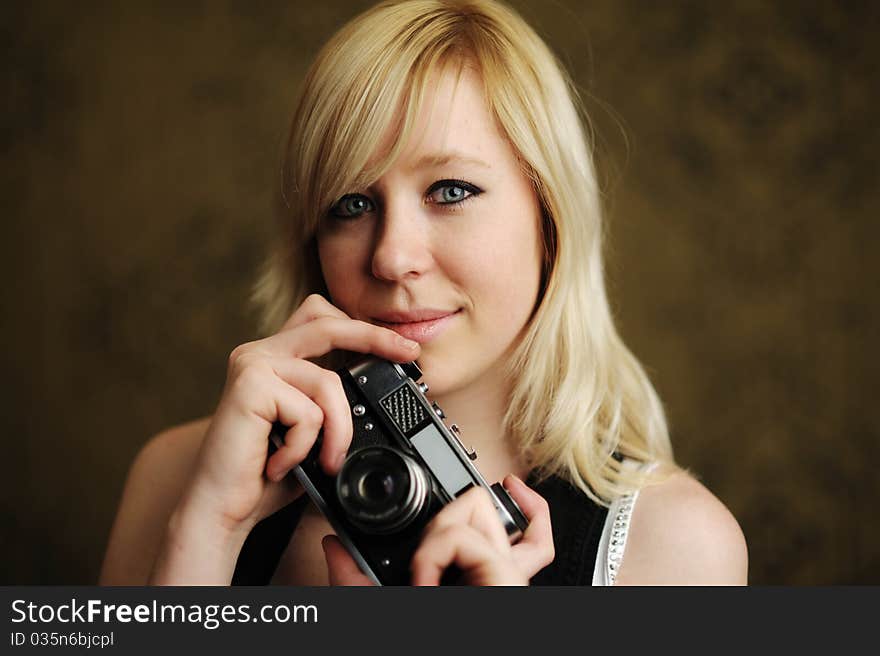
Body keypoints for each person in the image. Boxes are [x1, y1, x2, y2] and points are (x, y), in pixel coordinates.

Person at [100, 0, 747, 586]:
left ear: (550, 219)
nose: (391, 256)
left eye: (451, 192)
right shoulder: (179, 481)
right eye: (350, 204)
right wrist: (205, 537)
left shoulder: (676, 549)